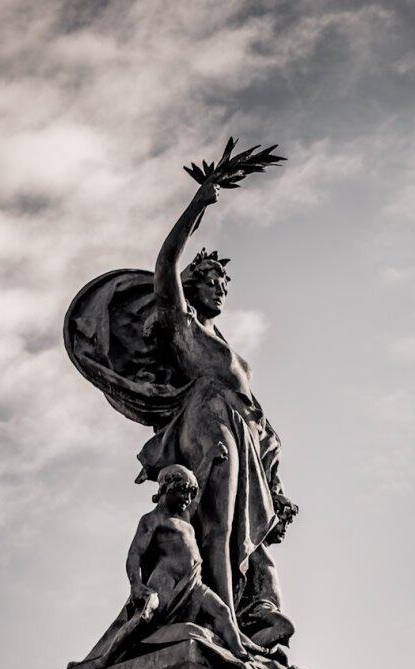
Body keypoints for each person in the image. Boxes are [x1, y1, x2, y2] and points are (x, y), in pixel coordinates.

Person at [136, 174, 298, 624]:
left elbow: (255, 410)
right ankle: (222, 618)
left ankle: (247, 612)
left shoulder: (222, 340)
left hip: (243, 428)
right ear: (192, 284)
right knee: (219, 524)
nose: (220, 287)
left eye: (224, 282)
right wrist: (198, 203)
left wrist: (274, 468)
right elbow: (165, 263)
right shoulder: (182, 323)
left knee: (246, 535)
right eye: (210, 278)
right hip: (208, 415)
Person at [82, 466, 260, 666]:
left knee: (222, 611)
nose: (188, 498)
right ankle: (106, 659)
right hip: (166, 581)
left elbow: (200, 493)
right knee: (143, 621)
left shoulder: (184, 517)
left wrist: (211, 461)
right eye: (183, 491)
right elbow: (135, 554)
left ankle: (240, 654)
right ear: (167, 488)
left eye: (190, 493)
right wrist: (136, 585)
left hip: (193, 583)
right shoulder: (152, 519)